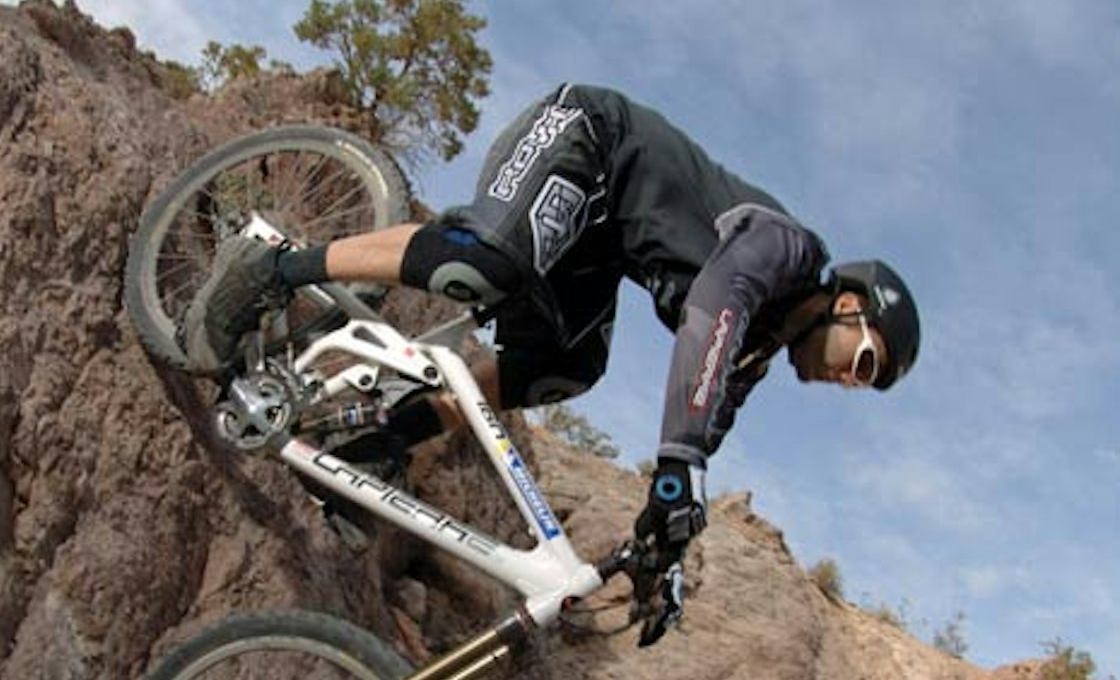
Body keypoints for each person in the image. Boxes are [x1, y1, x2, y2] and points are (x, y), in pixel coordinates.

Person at [185, 84, 920, 633]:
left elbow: (698, 433)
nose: (846, 383)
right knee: (486, 265)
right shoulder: (789, 251)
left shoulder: (757, 348)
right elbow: (714, 308)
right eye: (862, 363)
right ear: (847, 305)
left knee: (565, 367)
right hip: (587, 140)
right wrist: (681, 462)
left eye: (864, 385)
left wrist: (661, 556)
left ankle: (379, 441)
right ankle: (276, 266)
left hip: (595, 253)